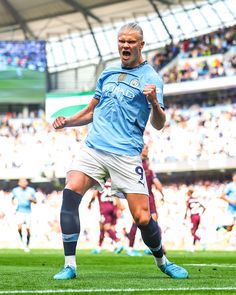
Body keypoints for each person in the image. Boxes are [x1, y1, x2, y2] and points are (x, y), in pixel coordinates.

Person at [52, 22, 188, 280]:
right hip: (94, 147)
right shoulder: (108, 72)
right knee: (70, 192)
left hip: (125, 154)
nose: (125, 45)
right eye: (122, 41)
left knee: (142, 217)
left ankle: (163, 261)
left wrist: (153, 103)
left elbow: (159, 124)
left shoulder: (152, 78)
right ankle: (69, 265)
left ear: (141, 45)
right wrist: (68, 121)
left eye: (131, 42)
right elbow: (92, 111)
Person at [127, 144, 164, 256]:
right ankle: (131, 247)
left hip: (148, 197)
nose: (147, 150)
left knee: (153, 222)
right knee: (138, 222)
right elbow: (156, 182)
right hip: (139, 196)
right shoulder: (138, 164)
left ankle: (154, 247)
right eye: (145, 148)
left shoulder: (142, 164)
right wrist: (162, 194)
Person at [88, 179, 124, 254]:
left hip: (104, 208)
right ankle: (100, 247)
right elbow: (116, 197)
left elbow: (94, 194)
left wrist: (90, 203)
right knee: (104, 227)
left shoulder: (99, 183)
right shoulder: (112, 184)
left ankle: (118, 242)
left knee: (106, 227)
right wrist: (119, 208)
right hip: (113, 207)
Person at [12, 178, 37, 252]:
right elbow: (12, 199)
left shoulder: (31, 190)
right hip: (19, 211)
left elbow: (35, 201)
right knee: (19, 227)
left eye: (25, 182)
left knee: (28, 229)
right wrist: (13, 203)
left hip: (28, 212)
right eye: (22, 182)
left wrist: (31, 199)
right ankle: (22, 240)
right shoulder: (15, 190)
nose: (23, 183)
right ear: (19, 183)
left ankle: (27, 244)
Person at [217, 173, 236, 248]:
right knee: (230, 228)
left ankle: (232, 243)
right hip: (231, 209)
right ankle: (222, 227)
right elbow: (221, 196)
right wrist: (231, 201)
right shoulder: (230, 186)